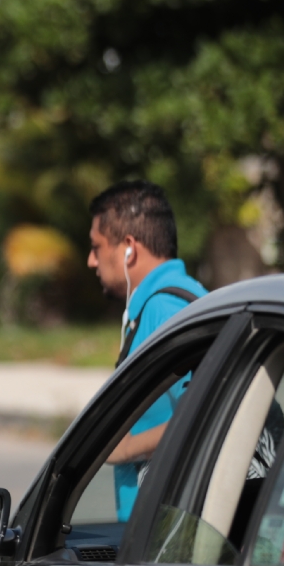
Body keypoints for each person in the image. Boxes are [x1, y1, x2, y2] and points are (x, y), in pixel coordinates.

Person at [86, 180, 208, 520]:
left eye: (96, 247)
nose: (91, 261)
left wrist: (123, 448)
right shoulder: (176, 299)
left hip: (167, 536)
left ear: (129, 248)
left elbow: (209, 415)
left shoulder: (167, 310)